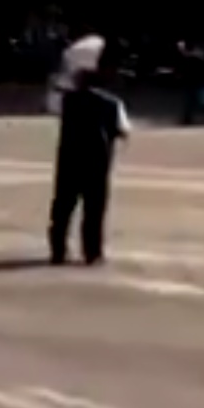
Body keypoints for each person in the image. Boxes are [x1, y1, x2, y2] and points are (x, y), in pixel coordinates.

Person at [49, 67, 132, 266]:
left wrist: (56, 86)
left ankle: (58, 251)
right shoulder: (113, 103)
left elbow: (51, 107)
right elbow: (124, 131)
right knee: (94, 210)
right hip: (98, 162)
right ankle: (92, 252)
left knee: (62, 208)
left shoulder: (67, 100)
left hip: (69, 160)